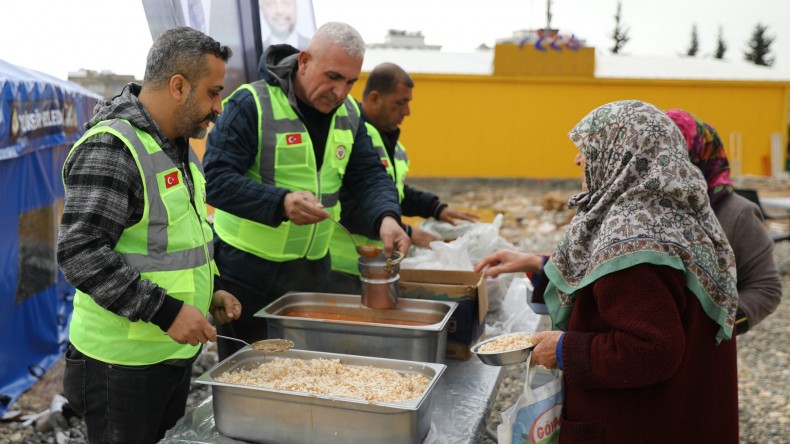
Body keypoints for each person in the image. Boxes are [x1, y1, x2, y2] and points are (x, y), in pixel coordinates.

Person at [475, 100, 739, 442]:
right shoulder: (676, 215)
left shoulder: (634, 236)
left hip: (637, 423)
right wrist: (537, 264)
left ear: (622, 154)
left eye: (588, 148)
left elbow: (652, 350)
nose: (578, 159)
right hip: (680, 414)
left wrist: (563, 349)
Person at [57, 27, 240, 443]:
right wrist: (168, 312)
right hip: (120, 366)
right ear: (179, 86)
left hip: (165, 355)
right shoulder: (113, 147)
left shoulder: (173, 144)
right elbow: (80, 253)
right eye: (213, 92)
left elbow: (178, 240)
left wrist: (211, 290)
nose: (219, 107)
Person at [203, 22, 410, 359]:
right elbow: (214, 179)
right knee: (250, 373)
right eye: (332, 77)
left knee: (307, 371)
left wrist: (386, 218)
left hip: (313, 272)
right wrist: (281, 203)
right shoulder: (251, 103)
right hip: (247, 273)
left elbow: (369, 176)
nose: (341, 92)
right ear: (303, 61)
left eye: (350, 82)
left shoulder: (350, 114)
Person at [326, 63, 479, 292]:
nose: (407, 112)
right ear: (375, 98)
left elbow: (394, 192)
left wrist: (435, 207)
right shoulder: (346, 137)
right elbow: (343, 203)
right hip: (341, 267)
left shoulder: (391, 144)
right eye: (400, 103)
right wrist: (407, 232)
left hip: (377, 265)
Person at [666, 108, 782, 334]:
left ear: (698, 154)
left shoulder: (737, 213)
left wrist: (713, 325)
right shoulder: (635, 209)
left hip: (702, 356)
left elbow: (765, 288)